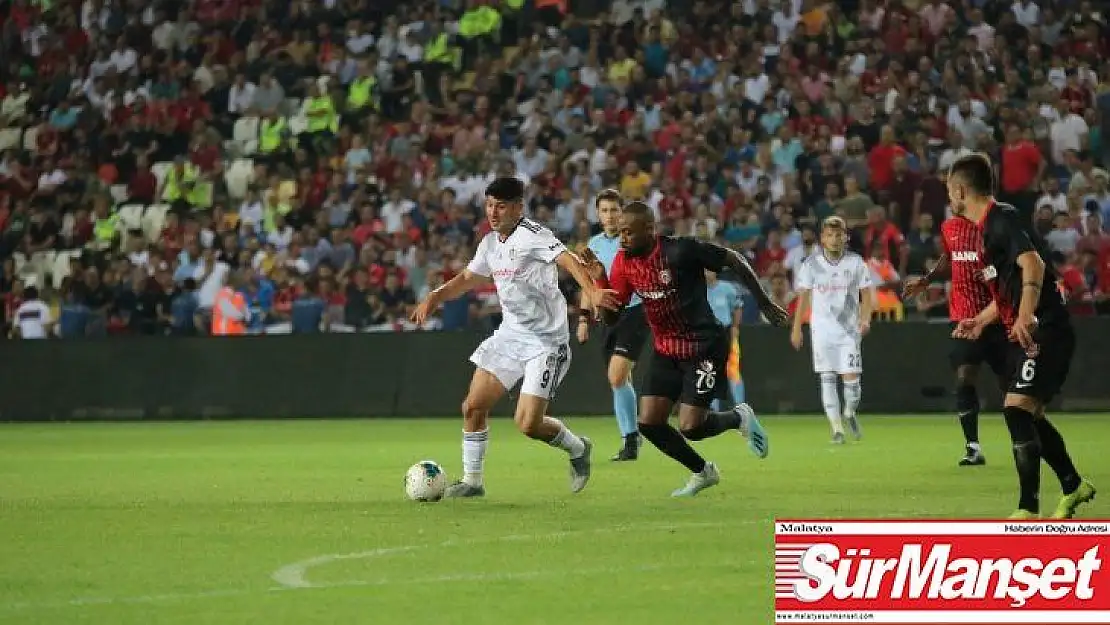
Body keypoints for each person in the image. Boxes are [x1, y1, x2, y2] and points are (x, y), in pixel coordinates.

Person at [410, 177, 619, 498]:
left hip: (546, 342)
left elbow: (568, 260)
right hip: (510, 336)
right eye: (489, 205)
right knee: (473, 406)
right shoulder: (490, 244)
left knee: (528, 424)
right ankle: (473, 481)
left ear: (518, 207)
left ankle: (578, 449)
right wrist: (435, 297)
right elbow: (468, 277)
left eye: (501, 206)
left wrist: (591, 290)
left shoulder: (534, 235)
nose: (493, 212)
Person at [585, 201, 789, 497]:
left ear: (650, 230)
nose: (623, 238)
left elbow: (732, 258)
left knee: (691, 427)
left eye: (629, 232)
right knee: (649, 423)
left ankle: (738, 417)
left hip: (703, 346)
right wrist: (600, 281)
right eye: (622, 233)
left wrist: (765, 302)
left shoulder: (679, 250)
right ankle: (703, 472)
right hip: (666, 348)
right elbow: (612, 317)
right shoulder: (623, 262)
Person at [946, 153, 1096, 519]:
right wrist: (980, 321)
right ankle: (1074, 486)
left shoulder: (1002, 219)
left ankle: (1027, 508)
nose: (950, 198)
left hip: (1046, 328)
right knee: (1030, 415)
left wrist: (1027, 315)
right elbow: (1010, 290)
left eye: (950, 190)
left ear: (960, 190)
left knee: (1016, 409)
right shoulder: (989, 228)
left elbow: (1034, 264)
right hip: (1035, 327)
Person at [903, 210, 1010, 467]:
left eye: (955, 193)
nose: (952, 201)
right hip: (962, 316)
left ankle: (1027, 439)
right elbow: (949, 258)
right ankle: (972, 446)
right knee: (964, 376)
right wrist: (927, 280)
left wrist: (991, 273)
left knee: (1010, 384)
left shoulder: (996, 224)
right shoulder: (950, 227)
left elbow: (1012, 263)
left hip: (995, 315)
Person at [577, 189, 648, 461]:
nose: (609, 216)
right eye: (604, 211)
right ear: (598, 214)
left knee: (616, 376)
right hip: (606, 317)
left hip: (634, 311)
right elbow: (589, 285)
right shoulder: (593, 244)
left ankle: (631, 437)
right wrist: (583, 318)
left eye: (614, 210)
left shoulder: (633, 240)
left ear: (623, 212)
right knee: (620, 381)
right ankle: (630, 440)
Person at [790, 217, 875, 443]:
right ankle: (837, 429)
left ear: (846, 237)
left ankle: (850, 412)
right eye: (830, 235)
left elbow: (867, 295)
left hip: (849, 330)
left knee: (851, 381)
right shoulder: (811, 265)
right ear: (822, 239)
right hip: (822, 331)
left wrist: (865, 319)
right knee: (827, 377)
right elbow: (803, 299)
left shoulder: (856, 263)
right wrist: (796, 329)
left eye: (839, 235)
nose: (835, 239)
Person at [705, 269, 745, 410]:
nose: (707, 272)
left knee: (733, 369)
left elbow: (738, 307)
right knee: (710, 371)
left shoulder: (727, 288)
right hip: (707, 334)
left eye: (710, 269)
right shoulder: (699, 289)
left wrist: (735, 326)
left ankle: (740, 407)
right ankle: (713, 409)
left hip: (725, 332)